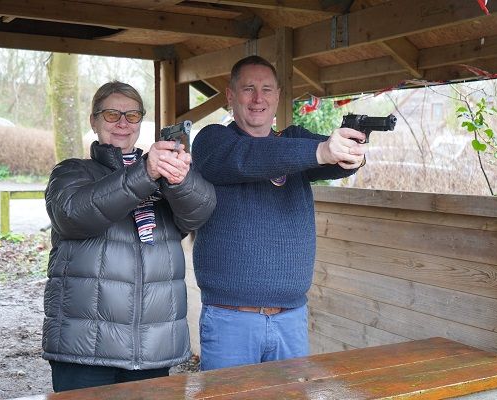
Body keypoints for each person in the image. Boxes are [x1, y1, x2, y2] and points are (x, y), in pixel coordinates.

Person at [191, 55, 367, 371]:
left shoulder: (293, 142)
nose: (259, 98)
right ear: (230, 95)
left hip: (291, 318)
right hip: (231, 319)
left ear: (278, 96)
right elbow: (247, 158)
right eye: (248, 89)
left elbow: (337, 164)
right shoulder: (213, 141)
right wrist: (322, 151)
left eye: (267, 89)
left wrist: (351, 150)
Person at [42, 81, 216, 391]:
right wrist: (145, 174)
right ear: (93, 121)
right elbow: (73, 215)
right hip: (85, 350)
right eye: (111, 114)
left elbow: (199, 212)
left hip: (151, 347)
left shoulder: (159, 173)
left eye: (132, 115)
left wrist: (178, 180)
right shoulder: (71, 172)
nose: (123, 123)